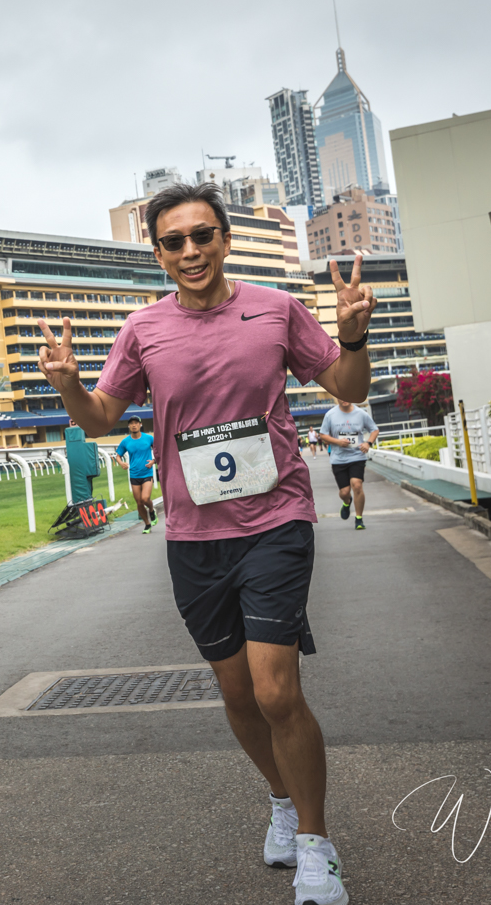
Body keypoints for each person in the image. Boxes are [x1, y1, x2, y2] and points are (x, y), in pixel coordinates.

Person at [38, 182, 374, 905]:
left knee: (276, 687)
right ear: (159, 254)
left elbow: (346, 382)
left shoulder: (276, 308)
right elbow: (100, 417)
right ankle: (282, 798)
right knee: (238, 693)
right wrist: (68, 385)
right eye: (174, 241)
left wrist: (352, 336)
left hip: (276, 520)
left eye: (202, 235)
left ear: (225, 238)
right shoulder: (143, 330)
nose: (190, 250)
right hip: (194, 535)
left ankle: (315, 844)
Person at [318, 400, 378, 531]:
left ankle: (359, 519)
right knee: (344, 492)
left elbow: (374, 430)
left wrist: (368, 443)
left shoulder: (361, 413)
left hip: (357, 456)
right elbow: (323, 435)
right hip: (338, 459)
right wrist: (338, 442)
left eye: (347, 396)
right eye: (341, 397)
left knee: (357, 485)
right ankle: (347, 502)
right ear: (336, 398)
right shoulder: (330, 415)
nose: (344, 399)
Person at [115, 415, 158, 531]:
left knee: (145, 498)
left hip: (147, 473)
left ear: (140, 424)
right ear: (129, 426)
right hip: (134, 474)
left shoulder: (149, 438)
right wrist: (121, 463)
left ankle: (151, 510)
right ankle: (147, 524)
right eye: (131, 423)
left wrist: (153, 461)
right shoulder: (125, 441)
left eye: (136, 423)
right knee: (139, 503)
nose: (134, 425)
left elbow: (159, 451)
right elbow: (118, 456)